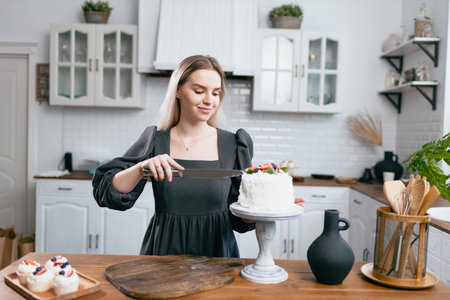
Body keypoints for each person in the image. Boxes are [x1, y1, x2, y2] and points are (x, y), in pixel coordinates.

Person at [92, 55, 304, 258]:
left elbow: (240, 221)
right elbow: (107, 192)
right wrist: (141, 168)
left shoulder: (234, 145)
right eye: (199, 90)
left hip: (217, 254)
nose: (209, 100)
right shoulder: (156, 141)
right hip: (163, 253)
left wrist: (273, 204)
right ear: (178, 91)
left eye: (215, 92)